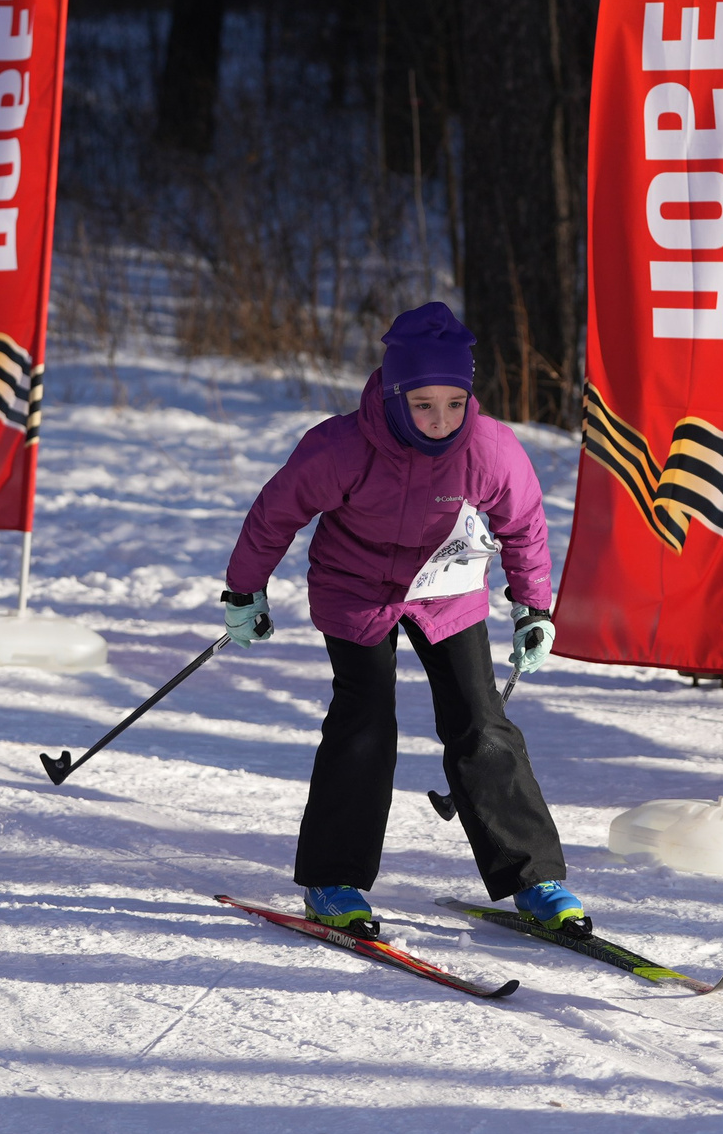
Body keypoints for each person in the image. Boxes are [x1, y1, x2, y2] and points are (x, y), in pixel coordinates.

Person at [222, 301, 581, 940]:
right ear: (394, 397)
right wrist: (244, 592)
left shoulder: (491, 448)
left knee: (480, 722)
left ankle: (533, 878)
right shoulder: (339, 446)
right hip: (355, 587)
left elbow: (523, 527)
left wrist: (534, 608)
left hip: (446, 588)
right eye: (423, 405)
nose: (441, 420)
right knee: (364, 721)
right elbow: (275, 514)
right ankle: (334, 879)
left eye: (454, 403)